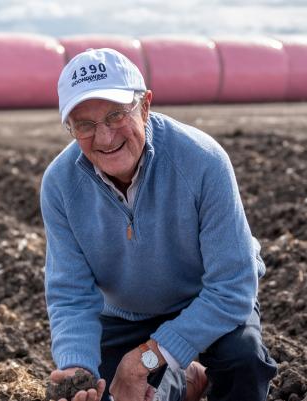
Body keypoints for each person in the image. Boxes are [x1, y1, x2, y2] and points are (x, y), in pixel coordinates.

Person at [40, 48, 277, 401]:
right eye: (84, 125)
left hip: (204, 301)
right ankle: (185, 381)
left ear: (145, 105)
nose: (104, 138)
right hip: (124, 313)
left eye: (116, 115)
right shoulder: (60, 184)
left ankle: (174, 368)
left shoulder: (202, 161)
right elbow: (71, 295)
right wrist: (79, 369)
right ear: (69, 127)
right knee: (102, 393)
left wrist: (147, 358)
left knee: (243, 360)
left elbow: (232, 286)